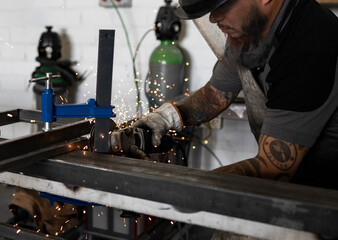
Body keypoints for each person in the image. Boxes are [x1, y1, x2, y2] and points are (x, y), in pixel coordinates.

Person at [127, 0, 338, 189]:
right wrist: (167, 117)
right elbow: (215, 94)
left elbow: (273, 169)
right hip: (295, 183)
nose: (213, 17)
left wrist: (189, 187)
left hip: (325, 196)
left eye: (221, 6)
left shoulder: (310, 44)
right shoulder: (249, 31)